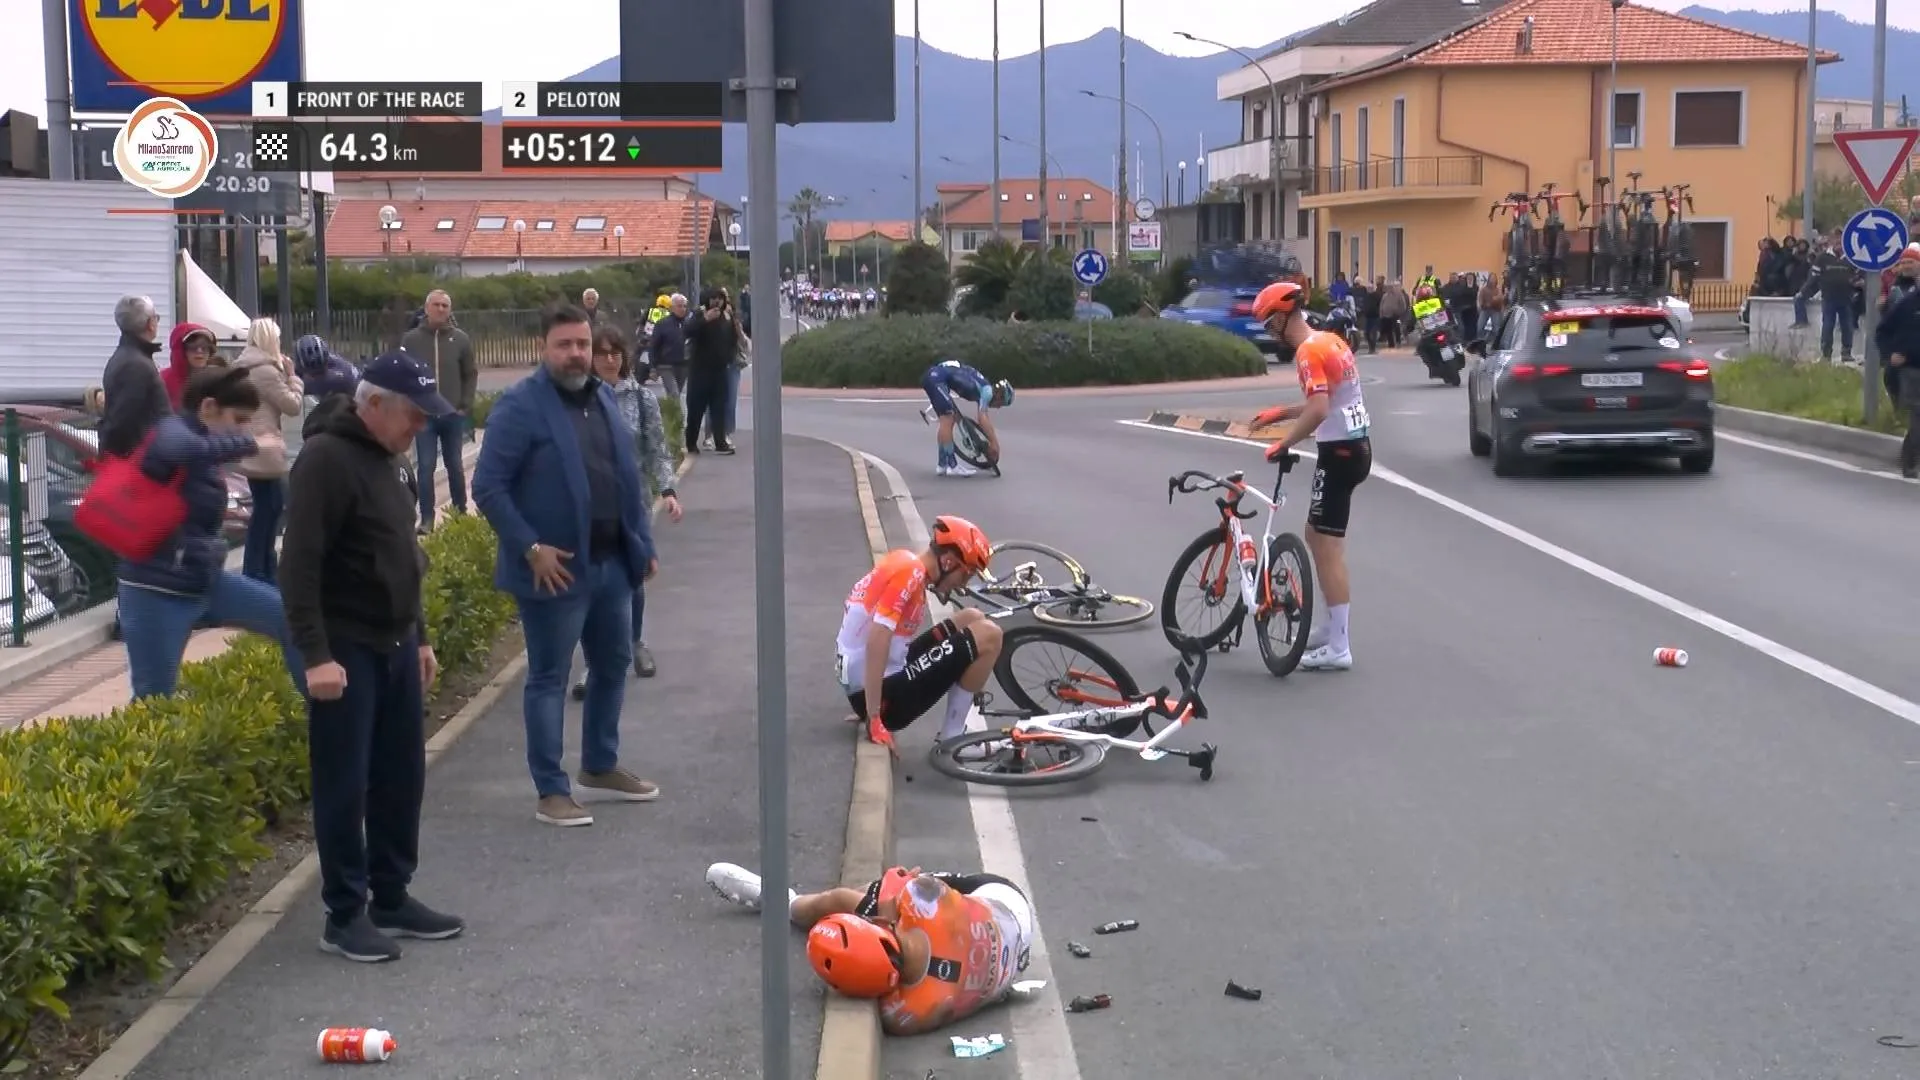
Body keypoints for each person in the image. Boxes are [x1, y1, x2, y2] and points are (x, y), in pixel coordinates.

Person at [280, 352, 465, 963]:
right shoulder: (325, 461)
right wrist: (315, 655)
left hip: (395, 642)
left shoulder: (392, 459)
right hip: (346, 646)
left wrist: (422, 635)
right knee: (344, 782)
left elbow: (405, 554)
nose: (420, 426)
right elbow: (299, 564)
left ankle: (392, 894)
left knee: (400, 775)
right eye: (413, 414)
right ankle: (344, 912)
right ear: (375, 404)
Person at [473, 305, 660, 827]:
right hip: (553, 572)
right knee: (549, 677)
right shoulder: (520, 407)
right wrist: (530, 547)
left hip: (611, 566)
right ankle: (550, 790)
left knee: (613, 665)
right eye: (566, 345)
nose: (578, 353)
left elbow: (626, 479)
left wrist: (641, 544)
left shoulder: (601, 399)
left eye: (583, 343)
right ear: (544, 349)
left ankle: (599, 764)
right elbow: (487, 487)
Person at [115, 367, 307, 700]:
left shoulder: (204, 444)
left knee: (290, 620)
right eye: (239, 418)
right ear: (208, 409)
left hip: (205, 580)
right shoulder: (169, 433)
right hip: (155, 590)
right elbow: (182, 451)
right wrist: (250, 444)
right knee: (153, 698)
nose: (244, 427)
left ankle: (325, 717)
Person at [704, 862, 1035, 1037]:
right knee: (862, 896)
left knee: (849, 898)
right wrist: (887, 900)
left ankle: (788, 903)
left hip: (1016, 956)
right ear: (882, 924)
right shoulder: (924, 898)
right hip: (1005, 900)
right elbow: (903, 880)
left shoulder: (904, 1015)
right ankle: (794, 904)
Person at [1247, 280, 1370, 672]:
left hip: (1340, 453)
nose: (1270, 334)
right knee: (1316, 537)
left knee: (1327, 548)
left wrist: (1284, 443)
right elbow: (1326, 399)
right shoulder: (1329, 341)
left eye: (1269, 325)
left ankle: (1339, 646)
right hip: (1354, 448)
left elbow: (1317, 411)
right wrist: (1281, 413)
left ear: (1283, 317)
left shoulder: (1306, 352)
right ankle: (1333, 630)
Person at [570, 323, 682, 699]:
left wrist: (668, 490)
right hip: (590, 504)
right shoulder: (578, 398)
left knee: (633, 573)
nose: (609, 359)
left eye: (615, 352)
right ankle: (592, 661)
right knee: (594, 580)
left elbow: (656, 448)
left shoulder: (640, 398)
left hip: (632, 502)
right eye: (601, 353)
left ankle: (634, 642)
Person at [840, 515, 1004, 757]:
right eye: (966, 574)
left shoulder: (905, 562)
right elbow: (877, 638)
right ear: (948, 562)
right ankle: (953, 737)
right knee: (991, 635)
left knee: (971, 617)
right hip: (887, 701)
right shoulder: (911, 575)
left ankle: (871, 703)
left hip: (870, 686)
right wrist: (873, 715)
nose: (962, 586)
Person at [232, 317, 304, 583]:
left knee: (267, 507)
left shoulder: (241, 366)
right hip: (266, 448)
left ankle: (263, 567)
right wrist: (293, 376)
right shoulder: (265, 371)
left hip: (248, 445)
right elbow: (292, 405)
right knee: (270, 508)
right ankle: (258, 569)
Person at [401, 290, 479, 530]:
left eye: (445, 306)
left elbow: (470, 374)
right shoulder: (411, 340)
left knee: (454, 465)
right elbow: (403, 374)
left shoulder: (461, 339)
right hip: (423, 415)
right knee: (425, 467)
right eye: (436, 305)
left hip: (452, 413)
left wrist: (465, 404)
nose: (441, 309)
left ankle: (459, 514)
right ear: (426, 309)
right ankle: (426, 519)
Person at [100, 294, 169, 459]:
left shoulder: (127, 358)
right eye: (156, 318)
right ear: (150, 324)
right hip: (141, 463)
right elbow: (123, 422)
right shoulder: (137, 365)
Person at [921, 358, 1012, 477]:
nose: (999, 407)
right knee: (948, 419)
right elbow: (982, 418)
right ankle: (952, 466)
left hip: (936, 377)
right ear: (999, 396)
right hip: (937, 379)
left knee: (947, 419)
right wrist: (994, 443)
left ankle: (942, 464)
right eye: (1001, 404)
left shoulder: (982, 385)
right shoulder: (987, 391)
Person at [681, 287, 741, 455]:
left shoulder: (727, 317)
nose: (717, 302)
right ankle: (691, 443)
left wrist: (729, 357)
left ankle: (720, 442)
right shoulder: (699, 315)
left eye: (720, 298)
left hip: (720, 371)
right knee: (696, 409)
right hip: (700, 370)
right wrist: (705, 320)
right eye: (713, 298)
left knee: (719, 408)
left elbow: (732, 340)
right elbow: (687, 331)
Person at [161, 322, 220, 409]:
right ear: (181, 351)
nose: (199, 351)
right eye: (193, 347)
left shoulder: (216, 380)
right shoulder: (164, 380)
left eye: (205, 347)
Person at [293, 334, 362, 400]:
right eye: (313, 374)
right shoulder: (331, 361)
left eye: (319, 372)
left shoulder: (335, 378)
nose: (316, 376)